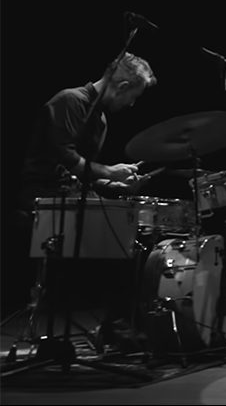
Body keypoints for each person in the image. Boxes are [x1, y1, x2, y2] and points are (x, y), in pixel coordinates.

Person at [9, 52, 157, 336]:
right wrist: (110, 172)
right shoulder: (70, 101)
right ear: (122, 86)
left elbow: (83, 174)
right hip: (43, 199)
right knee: (124, 243)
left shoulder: (99, 118)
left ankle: (118, 326)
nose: (132, 104)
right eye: (132, 96)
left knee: (134, 239)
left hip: (71, 198)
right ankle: (117, 328)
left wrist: (115, 185)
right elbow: (65, 157)